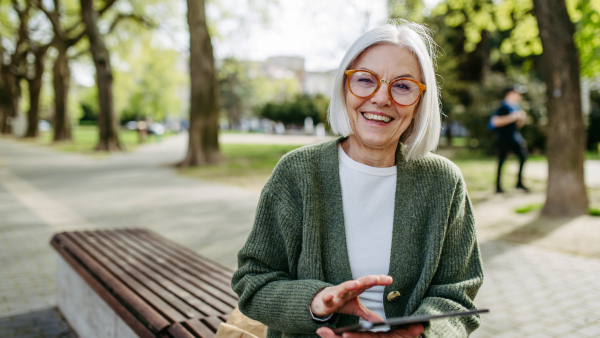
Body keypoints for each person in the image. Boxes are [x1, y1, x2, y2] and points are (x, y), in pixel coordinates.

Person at [232, 21, 483, 338]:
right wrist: (315, 302)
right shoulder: (297, 173)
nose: (381, 98)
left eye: (403, 86)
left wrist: (422, 334)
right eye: (365, 80)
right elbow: (253, 282)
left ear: (421, 102)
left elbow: (456, 293)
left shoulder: (444, 183)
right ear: (343, 87)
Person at [490, 86, 529, 193]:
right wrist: (513, 117)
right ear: (510, 93)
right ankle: (498, 186)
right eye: (518, 93)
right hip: (503, 139)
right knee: (501, 161)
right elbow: (494, 122)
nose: (520, 96)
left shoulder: (516, 107)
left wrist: (521, 119)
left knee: (523, 156)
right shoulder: (503, 107)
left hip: (514, 138)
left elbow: (518, 125)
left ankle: (519, 183)